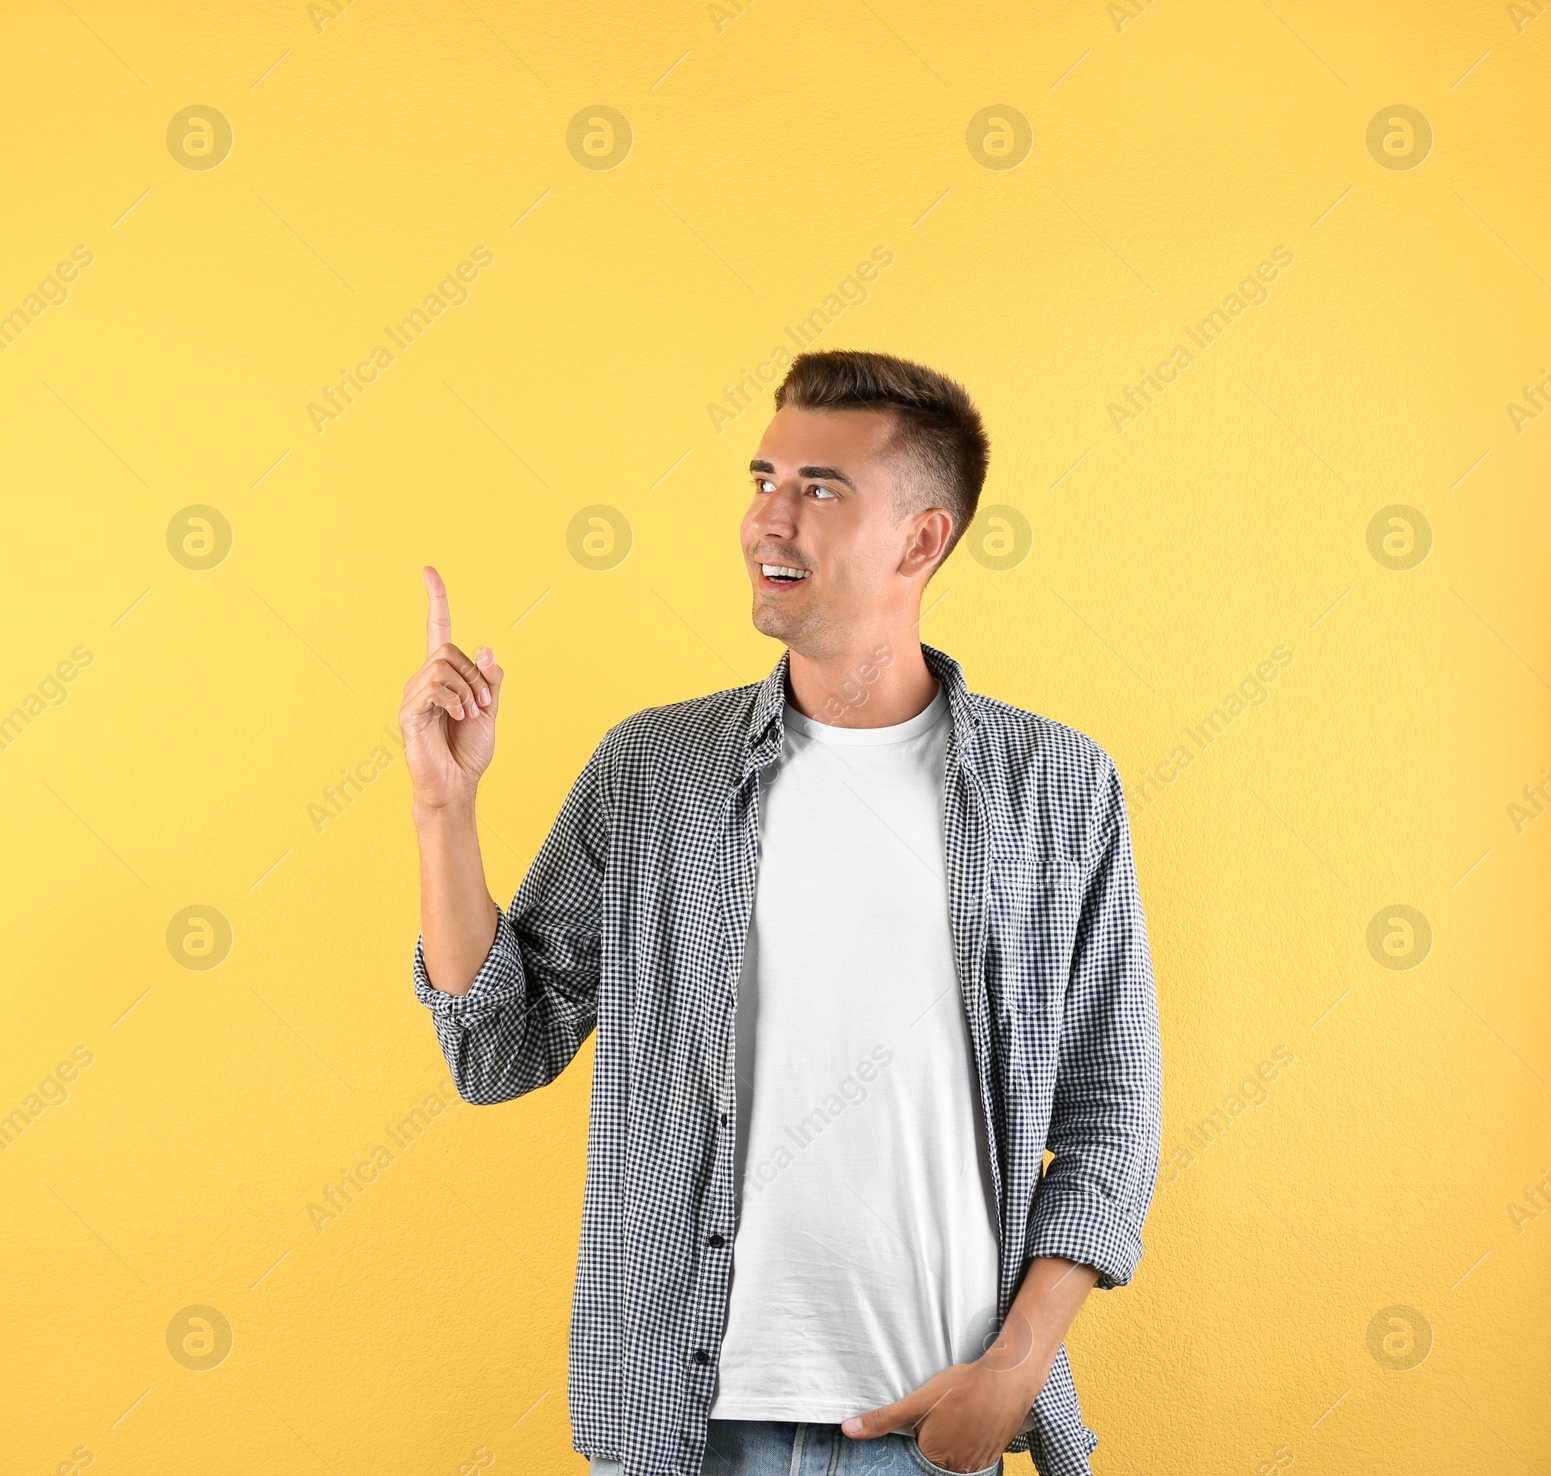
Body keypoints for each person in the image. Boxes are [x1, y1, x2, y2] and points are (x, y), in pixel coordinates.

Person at [400, 349, 1162, 1476]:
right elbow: (499, 1049)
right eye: (762, 478)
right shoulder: (655, 771)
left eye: (818, 489)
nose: (768, 520)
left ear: (920, 540)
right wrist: (442, 810)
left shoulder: (1056, 787)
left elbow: (1110, 1119)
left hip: (933, 1424)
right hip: (680, 1425)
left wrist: (1011, 1372)